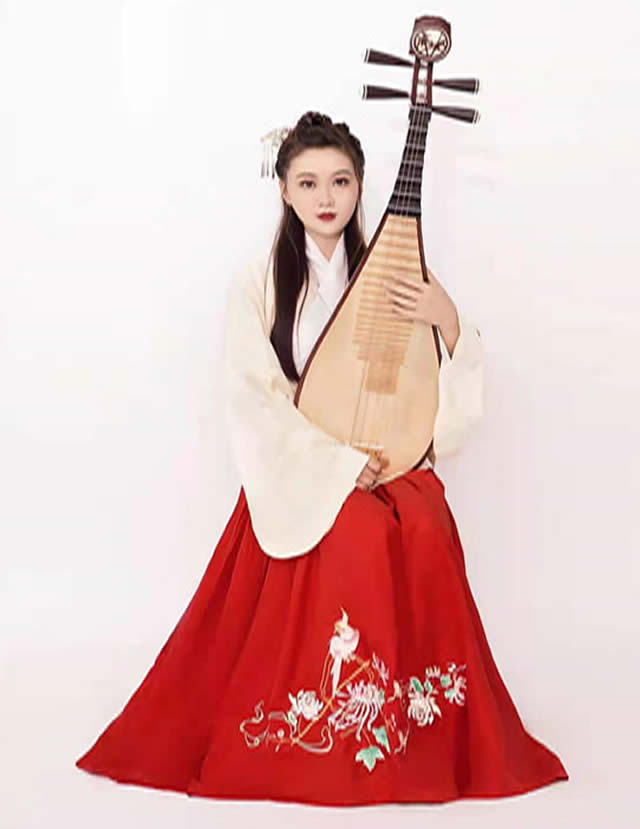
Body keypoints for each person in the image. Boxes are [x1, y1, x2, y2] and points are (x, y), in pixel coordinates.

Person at [75, 111, 569, 806]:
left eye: (340, 180)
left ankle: (423, 732)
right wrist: (336, 465)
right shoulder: (258, 283)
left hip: (388, 461)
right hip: (305, 473)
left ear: (361, 185)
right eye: (308, 182)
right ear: (283, 189)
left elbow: (435, 397)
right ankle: (331, 737)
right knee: (358, 533)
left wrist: (447, 318)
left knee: (427, 520)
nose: (326, 197)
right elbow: (253, 397)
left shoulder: (391, 273)